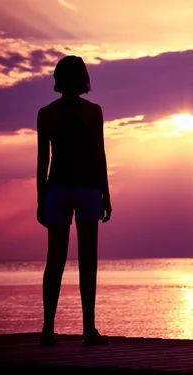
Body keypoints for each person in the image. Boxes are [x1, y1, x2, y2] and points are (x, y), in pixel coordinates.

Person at [36, 55, 112, 346]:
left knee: (54, 260)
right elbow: (99, 154)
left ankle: (47, 329)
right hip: (88, 188)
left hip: (57, 189)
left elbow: (43, 159)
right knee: (87, 261)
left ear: (58, 78)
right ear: (83, 79)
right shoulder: (93, 112)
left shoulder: (46, 113)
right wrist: (106, 192)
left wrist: (41, 198)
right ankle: (89, 330)